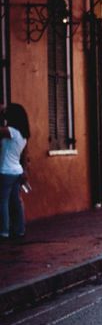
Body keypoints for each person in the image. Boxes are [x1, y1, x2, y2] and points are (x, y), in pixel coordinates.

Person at [0, 102, 30, 240]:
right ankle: (20, 230)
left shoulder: (11, 131)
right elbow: (25, 156)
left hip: (6, 171)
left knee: (3, 202)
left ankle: (4, 231)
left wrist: (1, 112)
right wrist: (25, 171)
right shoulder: (23, 135)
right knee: (17, 202)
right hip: (17, 171)